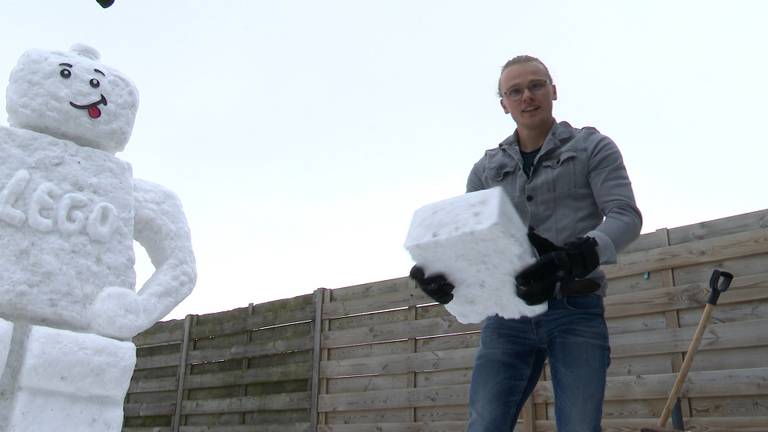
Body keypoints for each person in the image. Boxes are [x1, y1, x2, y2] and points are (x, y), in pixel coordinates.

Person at [410, 55, 642, 431]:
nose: (527, 97)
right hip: (507, 317)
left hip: (576, 308)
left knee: (580, 426)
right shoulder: (485, 171)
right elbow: (470, 242)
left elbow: (626, 216)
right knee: (485, 424)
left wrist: (576, 255)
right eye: (514, 91)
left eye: (536, 85)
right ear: (504, 104)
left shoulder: (592, 147)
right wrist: (443, 277)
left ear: (553, 90)